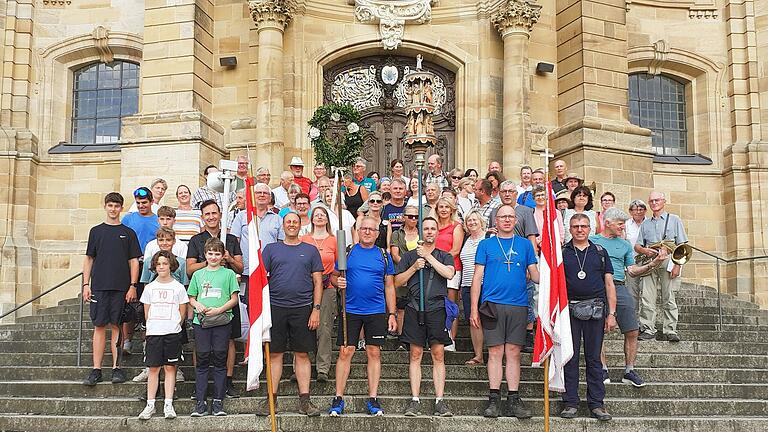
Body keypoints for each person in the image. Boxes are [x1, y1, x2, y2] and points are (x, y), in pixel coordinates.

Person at [469, 205, 538, 419]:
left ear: (516, 220)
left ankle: (514, 399)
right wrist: (473, 308)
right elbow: (477, 277)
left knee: (514, 353)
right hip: (492, 304)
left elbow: (534, 274)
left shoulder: (525, 245)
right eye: (502, 217)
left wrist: (554, 283)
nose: (507, 220)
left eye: (510, 216)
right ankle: (494, 399)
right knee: (496, 352)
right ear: (495, 221)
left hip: (518, 305)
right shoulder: (486, 245)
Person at [256, 212, 323, 417]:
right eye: (288, 222)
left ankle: (305, 400)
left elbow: (318, 282)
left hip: (303, 308)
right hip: (275, 308)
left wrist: (316, 309)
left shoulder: (310, 250)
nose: (292, 225)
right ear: (282, 226)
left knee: (302, 354)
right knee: (275, 354)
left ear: (300, 224)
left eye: (295, 221)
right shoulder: (271, 249)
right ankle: (271, 399)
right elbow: (260, 281)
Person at [329, 217, 397, 416]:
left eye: (371, 229)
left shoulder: (383, 255)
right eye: (363, 228)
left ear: (377, 233)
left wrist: (392, 313)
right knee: (345, 351)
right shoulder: (348, 252)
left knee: (374, 352)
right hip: (350, 310)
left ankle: (373, 398)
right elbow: (333, 276)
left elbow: (390, 285)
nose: (367, 232)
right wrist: (337, 282)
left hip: (375, 310)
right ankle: (338, 397)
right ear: (358, 231)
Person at [593, 208, 665, 388]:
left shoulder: (625, 245)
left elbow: (632, 271)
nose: (623, 226)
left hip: (619, 285)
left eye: (624, 223)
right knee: (598, 331)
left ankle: (629, 370)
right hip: (597, 287)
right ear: (607, 222)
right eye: (619, 223)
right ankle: (601, 368)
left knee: (632, 330)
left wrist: (653, 264)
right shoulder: (592, 241)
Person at [394, 217, 455, 417]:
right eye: (425, 228)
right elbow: (397, 282)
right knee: (415, 354)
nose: (429, 232)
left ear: (437, 232)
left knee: (438, 354)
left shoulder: (444, 256)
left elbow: (448, 274)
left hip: (437, 309)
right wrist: (414, 267)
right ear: (420, 232)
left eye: (432, 229)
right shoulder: (410, 257)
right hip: (414, 307)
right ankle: (415, 400)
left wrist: (428, 258)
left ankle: (440, 400)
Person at [560, 213, 617, 421]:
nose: (580, 230)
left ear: (590, 228)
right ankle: (570, 402)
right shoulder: (563, 252)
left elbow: (609, 284)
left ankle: (597, 403)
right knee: (570, 357)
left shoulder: (600, 252)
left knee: (594, 359)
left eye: (584, 226)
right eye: (575, 226)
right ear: (570, 229)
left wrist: (611, 313)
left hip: (596, 310)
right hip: (569, 311)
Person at [82, 192, 141, 387]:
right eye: (110, 205)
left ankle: (117, 367)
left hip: (121, 287)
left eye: (117, 206)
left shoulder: (129, 233)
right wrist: (85, 284)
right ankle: (96, 369)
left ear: (121, 208)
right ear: (105, 207)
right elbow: (89, 258)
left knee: (116, 326)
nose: (113, 209)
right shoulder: (96, 231)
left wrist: (132, 285)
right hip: (99, 286)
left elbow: (134, 261)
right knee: (99, 326)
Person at [186, 200, 244, 398]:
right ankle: (199, 383)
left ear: (220, 215)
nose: (211, 217)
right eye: (207, 214)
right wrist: (212, 260)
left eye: (214, 213)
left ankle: (227, 381)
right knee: (200, 344)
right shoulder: (196, 240)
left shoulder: (231, 239)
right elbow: (190, 269)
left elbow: (240, 268)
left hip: (227, 297)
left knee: (229, 340)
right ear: (202, 217)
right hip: (204, 300)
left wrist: (227, 259)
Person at [187, 238, 240, 417]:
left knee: (219, 359)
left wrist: (219, 309)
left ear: (222, 255)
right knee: (202, 359)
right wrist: (198, 306)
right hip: (201, 321)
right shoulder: (198, 274)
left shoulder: (229, 274)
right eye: (210, 253)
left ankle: (218, 402)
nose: (214, 257)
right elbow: (191, 296)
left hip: (222, 321)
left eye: (217, 253)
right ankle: (200, 402)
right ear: (205, 254)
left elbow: (234, 298)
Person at [137, 250, 188, 420]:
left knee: (170, 368)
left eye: (165, 263)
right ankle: (150, 404)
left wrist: (174, 325)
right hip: (154, 333)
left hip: (172, 333)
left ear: (171, 265)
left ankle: (168, 403)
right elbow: (146, 312)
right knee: (153, 369)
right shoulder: (150, 288)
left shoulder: (178, 287)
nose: (161, 267)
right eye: (158, 264)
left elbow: (182, 312)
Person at [488, 181, 539, 352]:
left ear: (516, 194)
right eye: (504, 191)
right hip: (500, 261)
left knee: (528, 295)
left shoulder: (525, 211)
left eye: (511, 191)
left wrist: (530, 264)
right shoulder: (495, 211)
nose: (507, 194)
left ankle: (528, 334)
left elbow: (531, 237)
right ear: (499, 193)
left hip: (522, 260)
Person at [634, 191, 688, 342]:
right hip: (650, 260)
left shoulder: (675, 219)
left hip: (669, 259)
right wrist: (645, 250)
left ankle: (670, 329)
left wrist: (678, 265)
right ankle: (648, 328)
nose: (654, 203)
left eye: (657, 200)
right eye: (651, 201)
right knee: (647, 296)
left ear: (664, 201)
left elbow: (682, 245)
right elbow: (638, 245)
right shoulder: (645, 223)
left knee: (669, 295)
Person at [300, 206, 337, 383]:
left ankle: (322, 368)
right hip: (305, 285)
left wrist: (333, 277)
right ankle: (299, 366)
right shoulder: (304, 239)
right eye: (317, 215)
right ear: (312, 219)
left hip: (327, 285)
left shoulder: (333, 240)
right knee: (302, 326)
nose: (320, 217)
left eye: (323, 215)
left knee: (324, 328)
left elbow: (339, 265)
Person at [434, 197, 464, 349]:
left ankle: (451, 339)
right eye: (441, 207)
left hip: (452, 268)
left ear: (452, 209)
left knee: (450, 304)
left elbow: (456, 250)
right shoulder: (433, 226)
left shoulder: (456, 226)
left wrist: (438, 262)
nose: (444, 209)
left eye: (447, 207)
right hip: (434, 269)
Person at [459, 210, 486, 365]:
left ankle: (494, 353)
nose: (472, 222)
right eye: (469, 220)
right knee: (473, 320)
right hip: (468, 285)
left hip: (485, 284)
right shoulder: (466, 240)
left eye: (475, 220)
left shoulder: (488, 237)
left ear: (481, 221)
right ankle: (478, 355)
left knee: (488, 319)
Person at [390, 205, 420, 333]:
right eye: (410, 216)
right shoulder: (397, 234)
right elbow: (395, 254)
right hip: (402, 272)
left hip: (420, 272)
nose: (413, 219)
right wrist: (409, 268)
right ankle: (402, 337)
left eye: (416, 217)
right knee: (401, 307)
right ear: (403, 217)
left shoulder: (422, 232)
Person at [625, 199, 648, 312]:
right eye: (635, 209)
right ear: (630, 211)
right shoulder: (626, 224)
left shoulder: (650, 223)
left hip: (648, 261)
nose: (638, 212)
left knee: (647, 292)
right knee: (632, 292)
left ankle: (645, 322)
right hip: (631, 261)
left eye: (641, 209)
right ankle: (633, 320)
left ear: (645, 210)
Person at [123, 187, 160, 252]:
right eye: (138, 203)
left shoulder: (159, 221)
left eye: (144, 202)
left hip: (151, 259)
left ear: (152, 202)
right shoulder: (128, 218)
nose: (140, 206)